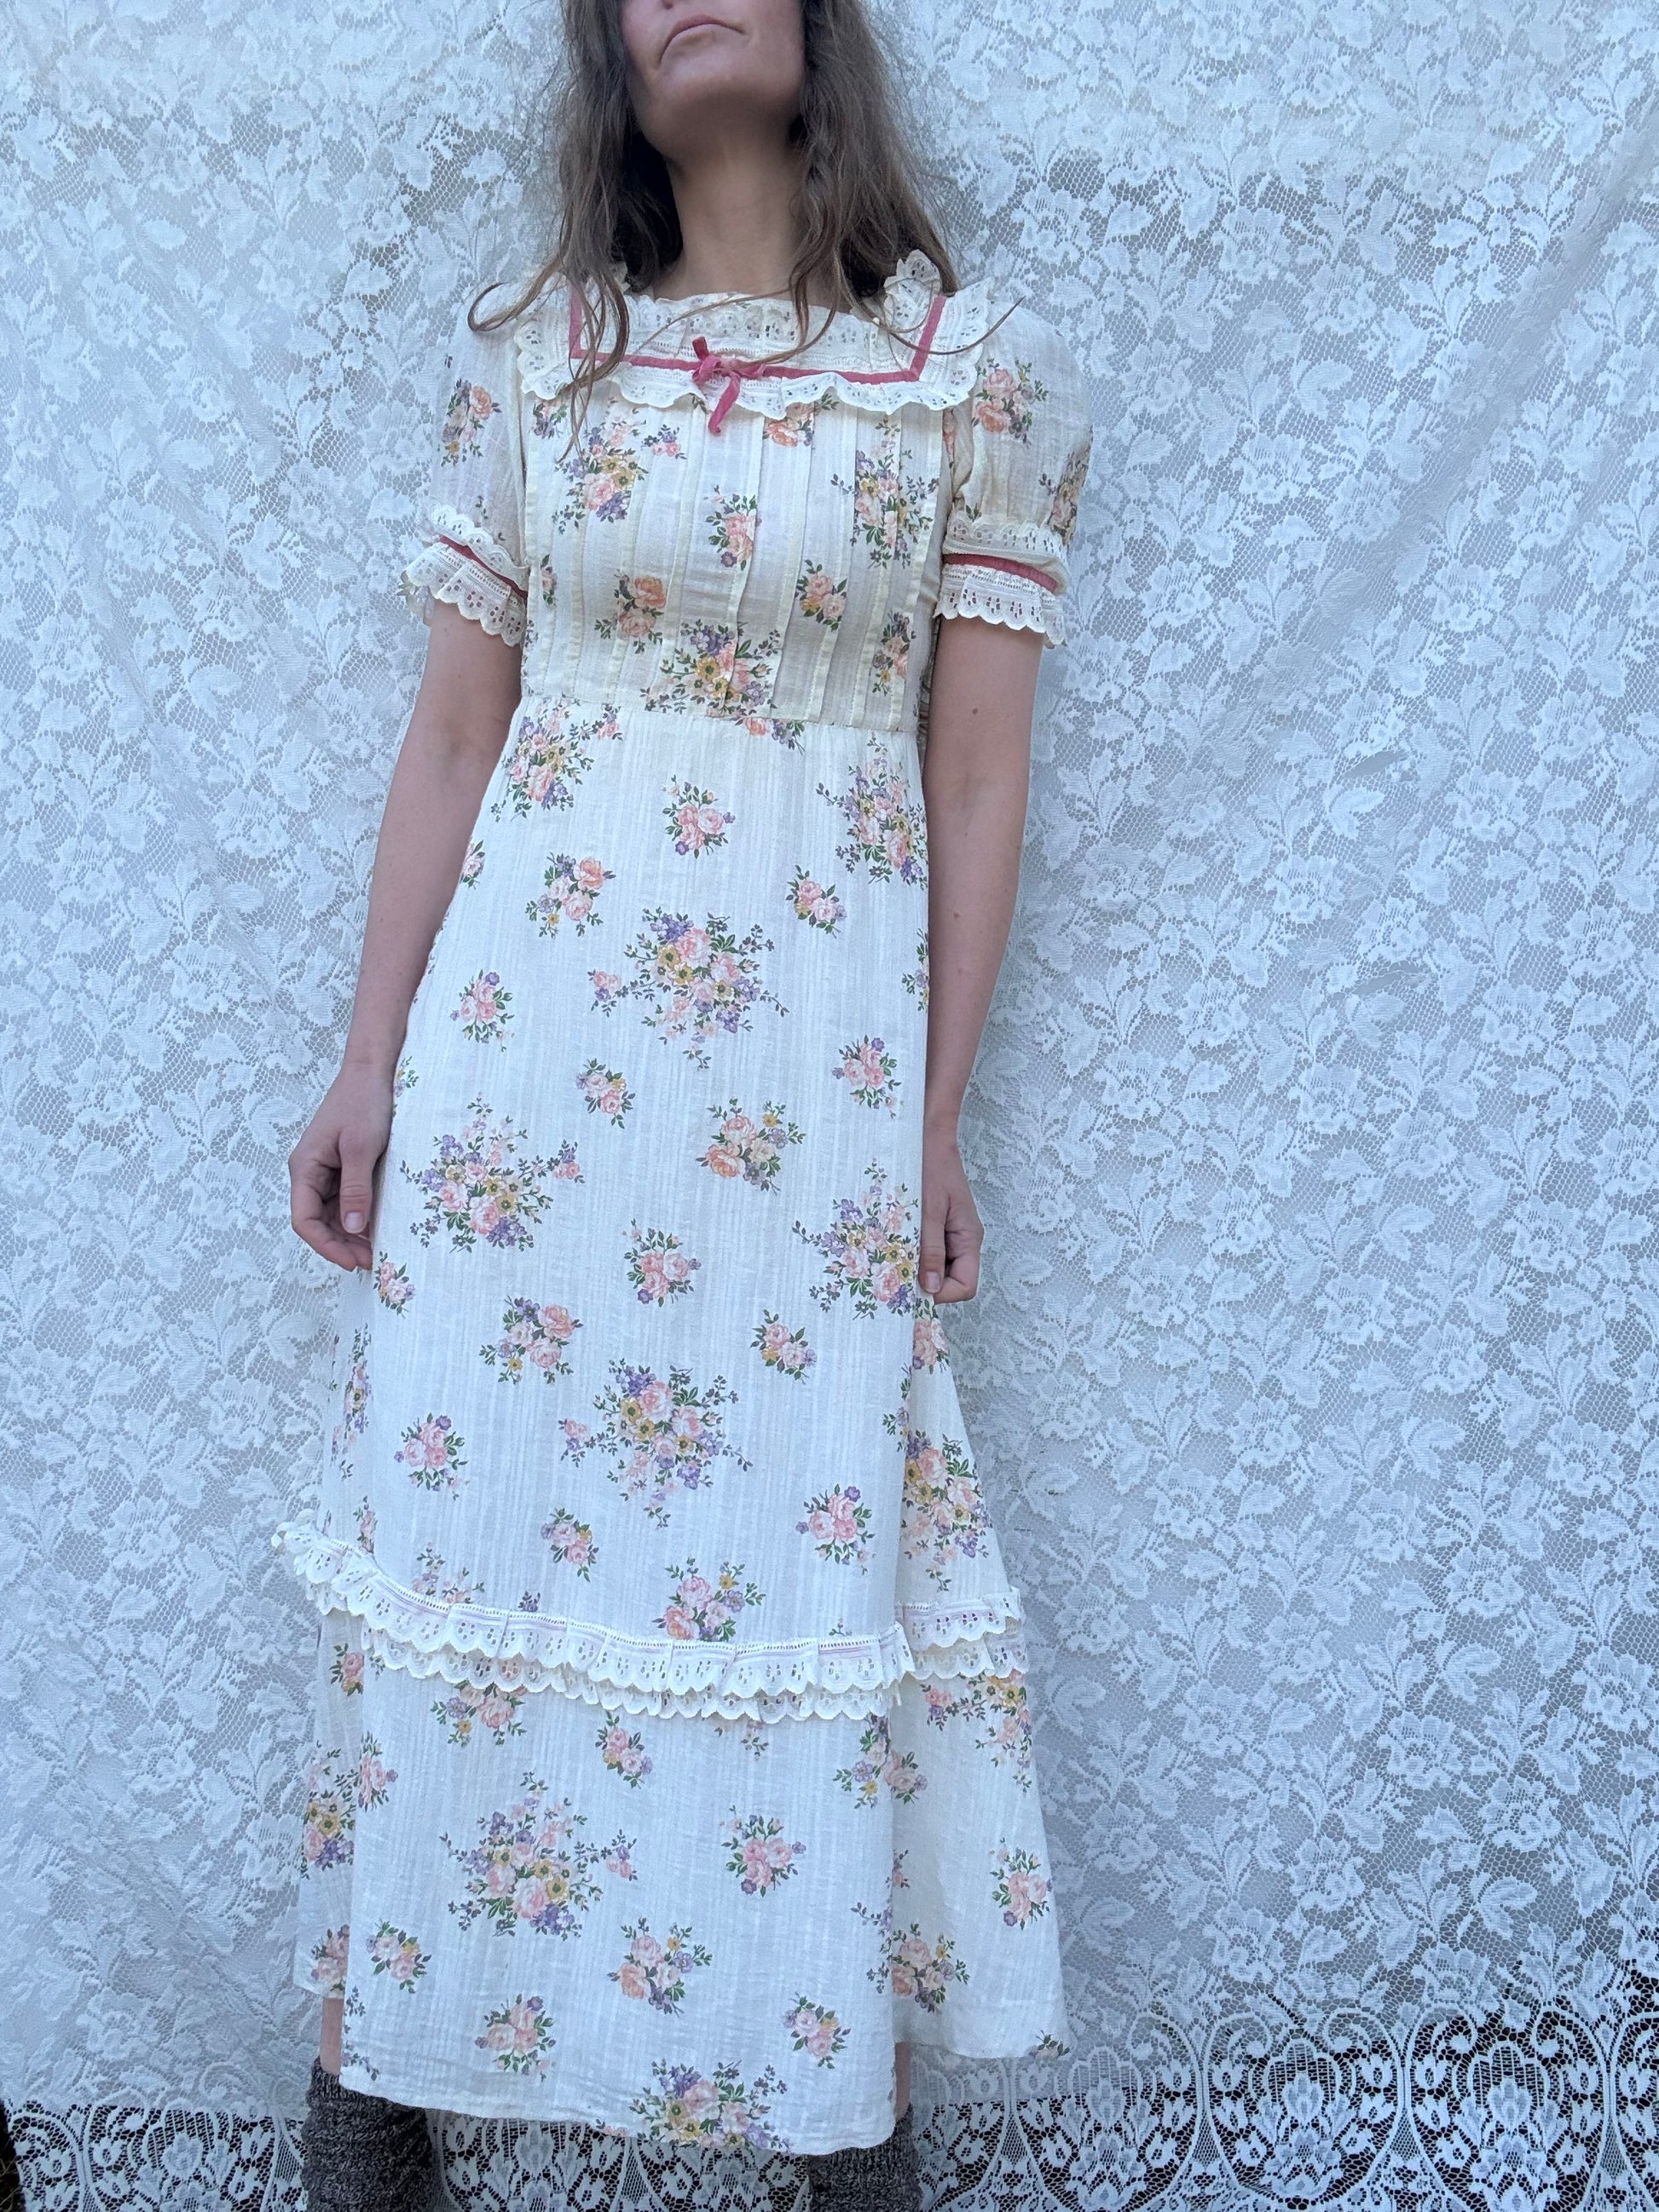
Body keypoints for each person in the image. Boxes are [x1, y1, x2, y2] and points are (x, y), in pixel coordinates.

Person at [279, 0, 1093, 2203]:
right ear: (606, 59)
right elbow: (454, 736)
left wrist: (936, 1116)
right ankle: (374, 2094)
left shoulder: (962, 379)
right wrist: (367, 1061)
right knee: (470, 1511)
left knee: (807, 1543)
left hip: (806, 1097)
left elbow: (978, 774)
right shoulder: (536, 357)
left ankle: (838, 2125)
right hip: (522, 1083)